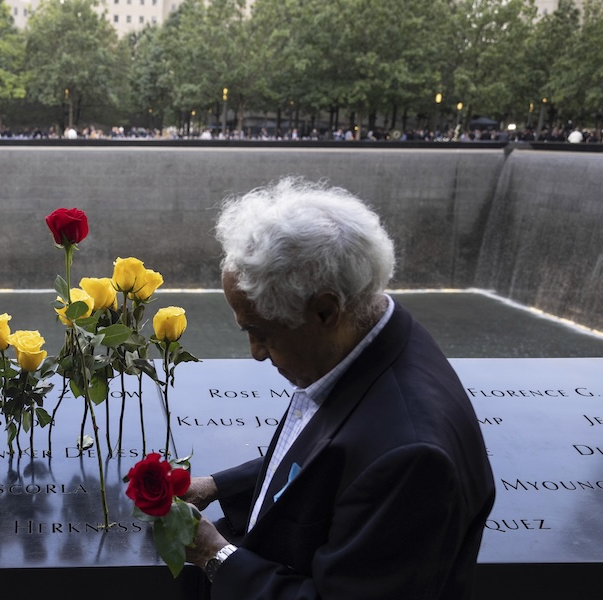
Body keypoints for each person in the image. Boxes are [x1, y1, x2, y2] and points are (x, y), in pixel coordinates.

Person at [183, 177, 496, 599]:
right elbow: (337, 460)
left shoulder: (413, 457)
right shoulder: (381, 338)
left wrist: (214, 555)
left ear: (326, 311)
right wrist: (218, 486)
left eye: (260, 331)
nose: (255, 352)